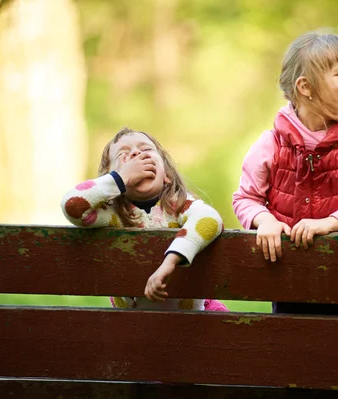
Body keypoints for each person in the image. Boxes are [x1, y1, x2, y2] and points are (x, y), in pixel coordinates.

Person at [232, 30, 338, 317]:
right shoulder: (272, 144)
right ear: (305, 87)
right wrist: (264, 219)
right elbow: (245, 198)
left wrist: (332, 223)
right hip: (287, 278)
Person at [62, 127, 226, 311]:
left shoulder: (178, 205)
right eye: (123, 155)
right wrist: (122, 178)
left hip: (193, 324)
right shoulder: (111, 216)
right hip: (133, 328)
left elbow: (210, 219)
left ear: (167, 175)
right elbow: (72, 206)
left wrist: (170, 262)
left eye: (146, 150)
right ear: (111, 179)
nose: (136, 153)